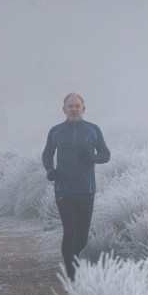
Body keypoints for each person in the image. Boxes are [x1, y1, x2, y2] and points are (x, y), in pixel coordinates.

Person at [42, 92, 110, 281]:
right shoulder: (55, 131)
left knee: (82, 237)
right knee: (70, 230)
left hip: (86, 189)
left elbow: (106, 155)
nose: (73, 109)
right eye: (70, 106)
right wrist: (50, 170)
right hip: (63, 189)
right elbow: (47, 154)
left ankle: (72, 261)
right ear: (64, 110)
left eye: (76, 106)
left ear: (83, 109)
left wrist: (92, 157)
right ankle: (72, 276)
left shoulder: (93, 130)